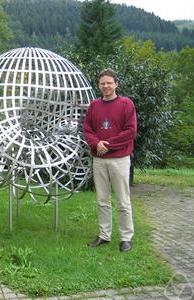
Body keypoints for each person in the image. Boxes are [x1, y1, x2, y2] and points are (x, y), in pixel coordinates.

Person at [84, 68, 137, 252]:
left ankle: (126, 238)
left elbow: (130, 131)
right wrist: (96, 143)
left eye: (109, 82)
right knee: (102, 200)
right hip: (99, 160)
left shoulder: (126, 104)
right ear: (99, 85)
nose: (106, 86)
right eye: (102, 83)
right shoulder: (94, 106)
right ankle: (104, 235)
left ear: (116, 84)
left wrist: (108, 144)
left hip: (119, 159)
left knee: (123, 200)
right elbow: (88, 129)